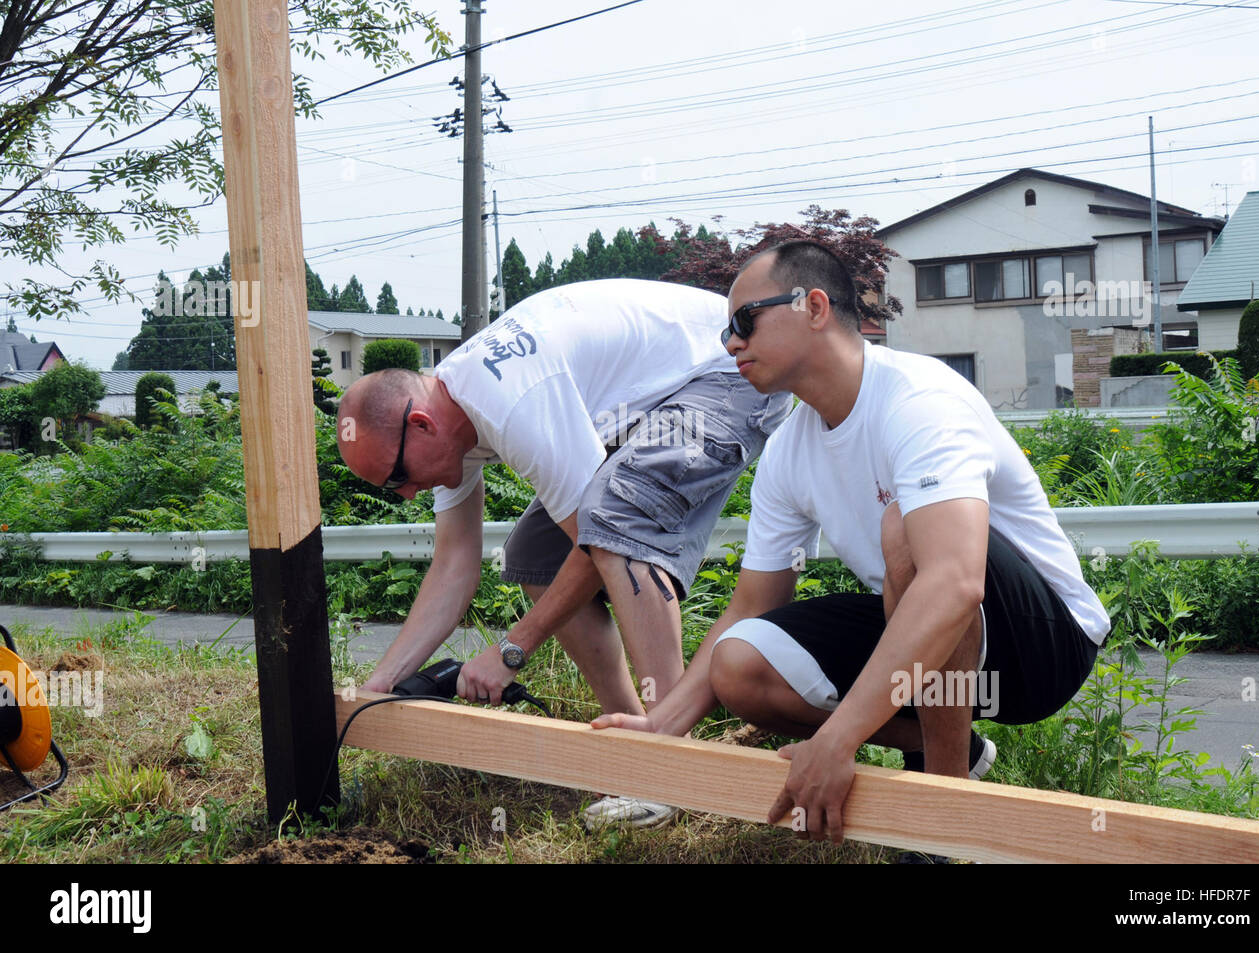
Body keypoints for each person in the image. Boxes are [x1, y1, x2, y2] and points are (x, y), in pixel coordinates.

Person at [593, 241, 1110, 843]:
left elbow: (955, 581)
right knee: (739, 663)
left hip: (1043, 646)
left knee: (909, 535)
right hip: (928, 639)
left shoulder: (919, 400)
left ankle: (940, 814)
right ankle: (953, 745)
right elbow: (753, 604)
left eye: (744, 322)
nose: (730, 343)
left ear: (813, 306)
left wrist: (837, 740)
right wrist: (662, 729)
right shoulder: (789, 448)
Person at [336, 278, 791, 828]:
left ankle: (670, 761)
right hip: (651, 398)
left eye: (399, 477)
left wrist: (510, 649)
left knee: (623, 530)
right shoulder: (453, 413)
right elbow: (455, 562)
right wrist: (383, 681)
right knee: (537, 554)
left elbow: (601, 540)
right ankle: (625, 732)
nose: (407, 493)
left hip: (728, 371)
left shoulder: (509, 403)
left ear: (420, 424)